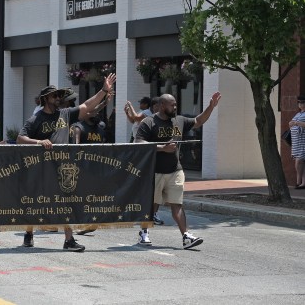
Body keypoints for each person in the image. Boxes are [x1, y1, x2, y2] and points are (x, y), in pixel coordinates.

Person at [17, 73, 116, 252]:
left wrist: (103, 90)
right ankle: (29, 233)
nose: (58, 98)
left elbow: (87, 106)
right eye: (55, 96)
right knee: (35, 201)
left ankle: (69, 240)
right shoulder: (36, 119)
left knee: (65, 201)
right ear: (46, 99)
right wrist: (39, 142)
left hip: (62, 166)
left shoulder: (65, 114)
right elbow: (20, 138)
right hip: (42, 166)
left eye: (59, 96)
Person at [135, 92, 221, 249]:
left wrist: (210, 107)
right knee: (152, 204)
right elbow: (139, 142)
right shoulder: (149, 122)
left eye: (175, 104)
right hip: (154, 170)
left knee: (177, 204)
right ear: (161, 106)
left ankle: (186, 236)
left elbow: (198, 120)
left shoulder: (179, 120)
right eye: (171, 104)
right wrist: (162, 148)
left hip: (175, 170)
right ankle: (144, 233)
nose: (175, 107)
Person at [125, 96, 165, 225]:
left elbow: (135, 118)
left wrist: (130, 107)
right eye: (159, 105)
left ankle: (152, 213)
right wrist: (128, 110)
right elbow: (134, 120)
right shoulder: (147, 115)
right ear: (154, 106)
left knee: (154, 182)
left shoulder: (161, 118)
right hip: (142, 147)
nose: (161, 108)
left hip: (153, 150)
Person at [289, 96, 305, 189]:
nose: (300, 104)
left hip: (303, 141)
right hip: (296, 142)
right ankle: (302, 183)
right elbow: (292, 123)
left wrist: (296, 123)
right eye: (299, 103)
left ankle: (298, 181)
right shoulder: (298, 114)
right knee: (300, 162)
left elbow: (298, 124)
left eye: (302, 103)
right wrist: (291, 123)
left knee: (299, 161)